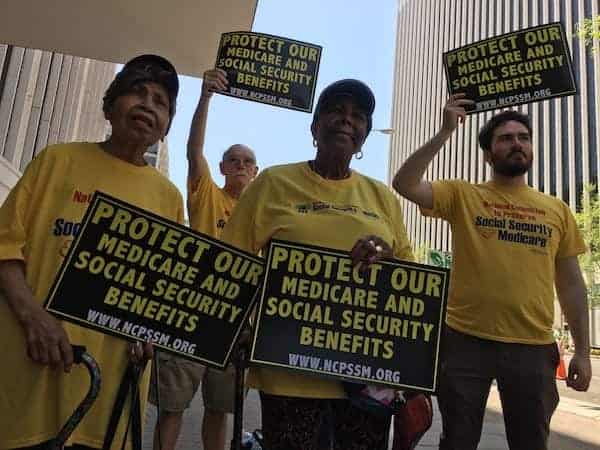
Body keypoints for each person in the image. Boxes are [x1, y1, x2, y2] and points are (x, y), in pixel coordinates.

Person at [0, 54, 184, 450]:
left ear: (166, 125)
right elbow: (3, 247)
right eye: (137, 92)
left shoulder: (168, 197)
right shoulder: (56, 160)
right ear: (109, 105)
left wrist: (153, 332)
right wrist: (34, 318)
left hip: (109, 392)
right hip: (27, 374)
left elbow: (165, 291)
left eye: (161, 101)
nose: (148, 104)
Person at [221, 79, 414, 450]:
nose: (347, 120)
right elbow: (234, 261)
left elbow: (409, 277)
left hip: (366, 377)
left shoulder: (382, 196)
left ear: (363, 139)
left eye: (358, 117)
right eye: (336, 112)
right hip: (288, 372)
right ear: (314, 127)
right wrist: (240, 327)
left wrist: (386, 258)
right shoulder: (274, 182)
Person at [392, 94, 592, 450]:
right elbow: (405, 184)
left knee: (531, 441)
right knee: (458, 441)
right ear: (488, 154)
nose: (517, 143)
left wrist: (581, 350)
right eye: (505, 138)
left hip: (532, 346)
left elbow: (572, 284)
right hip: (464, 341)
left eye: (523, 137)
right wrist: (444, 133)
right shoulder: (462, 195)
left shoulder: (557, 210)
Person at [150, 68, 258, 450]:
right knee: (172, 406)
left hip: (235, 319)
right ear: (223, 167)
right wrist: (206, 98)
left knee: (220, 408)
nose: (241, 165)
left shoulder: (265, 212)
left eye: (248, 161)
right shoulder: (206, 194)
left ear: (257, 172)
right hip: (190, 311)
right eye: (234, 159)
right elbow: (193, 151)